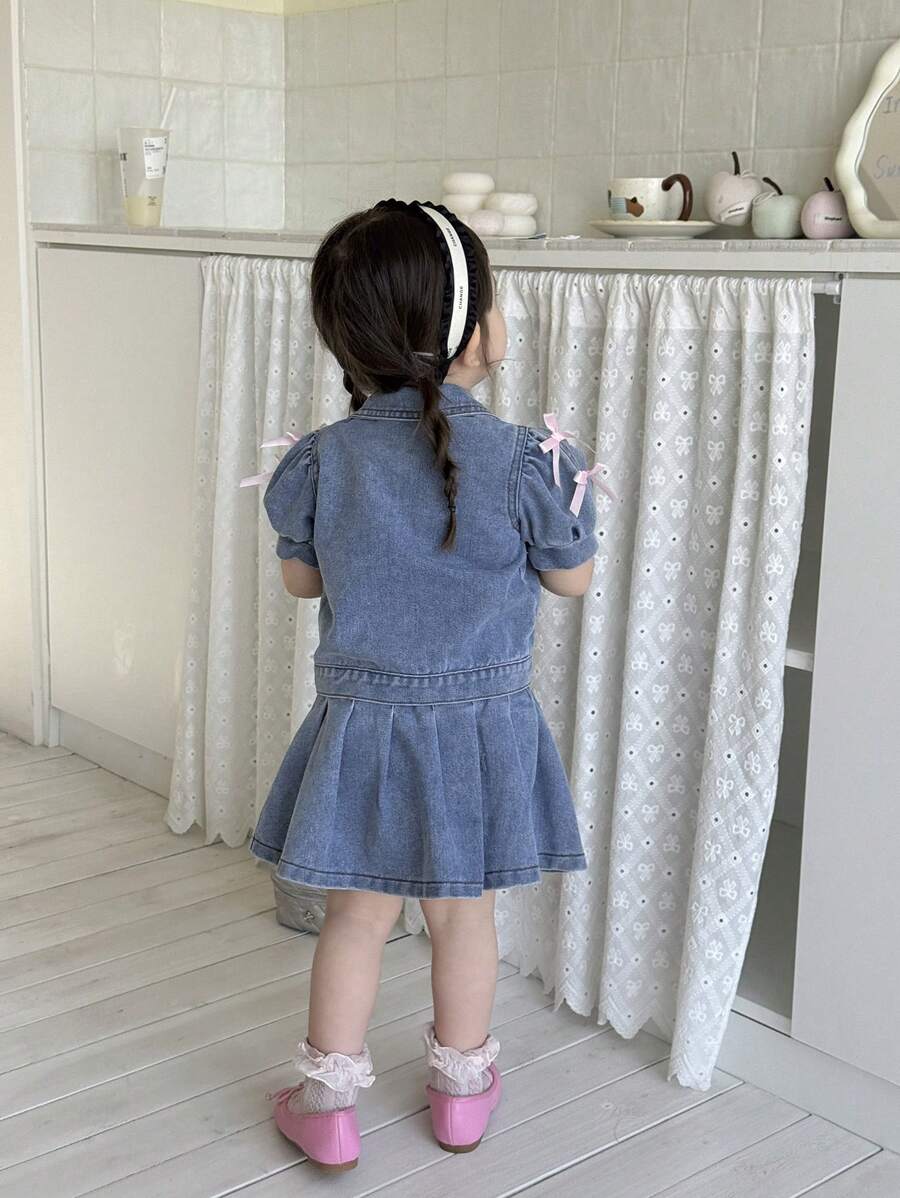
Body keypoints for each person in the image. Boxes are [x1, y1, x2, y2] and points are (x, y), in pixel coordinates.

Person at [248, 199, 598, 1172]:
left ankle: (327, 1102)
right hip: (480, 731)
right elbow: (572, 580)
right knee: (463, 915)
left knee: (357, 916)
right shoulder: (529, 461)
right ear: (473, 331)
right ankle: (461, 1095)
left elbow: (301, 581)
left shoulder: (324, 459)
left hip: (365, 729)